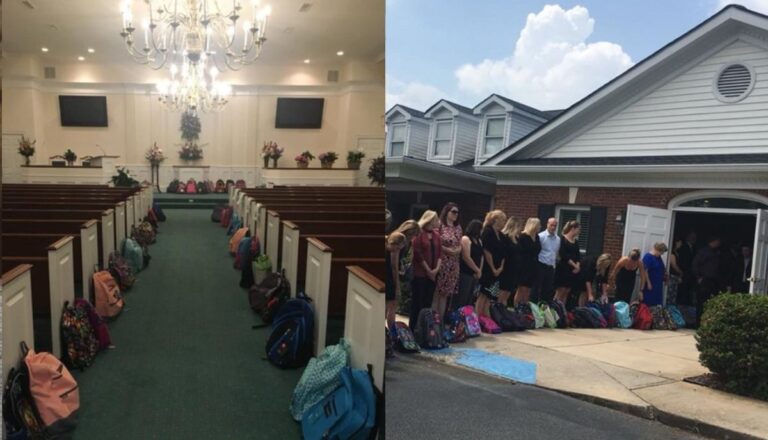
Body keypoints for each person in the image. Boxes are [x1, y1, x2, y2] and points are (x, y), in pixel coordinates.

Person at [409, 210, 442, 330]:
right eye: (434, 219)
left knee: (428, 302)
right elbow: (418, 254)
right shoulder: (419, 234)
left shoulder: (437, 235)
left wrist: (436, 270)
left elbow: (440, 254)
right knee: (418, 303)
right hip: (420, 273)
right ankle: (414, 328)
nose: (436, 222)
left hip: (433, 274)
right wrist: (428, 270)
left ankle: (425, 329)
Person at [434, 203, 462, 319]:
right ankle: (433, 319)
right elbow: (436, 243)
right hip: (442, 263)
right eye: (453, 212)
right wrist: (447, 250)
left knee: (445, 294)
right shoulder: (440, 226)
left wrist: (457, 251)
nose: (456, 214)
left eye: (457, 212)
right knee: (437, 293)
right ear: (447, 212)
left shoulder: (458, 227)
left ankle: (440, 320)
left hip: (453, 264)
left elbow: (460, 243)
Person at [476, 210, 506, 317]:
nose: (504, 222)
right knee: (484, 293)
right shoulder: (487, 232)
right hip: (488, 269)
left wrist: (501, 267)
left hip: (498, 270)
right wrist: (493, 268)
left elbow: (503, 253)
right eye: (502, 219)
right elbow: (486, 250)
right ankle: (479, 316)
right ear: (495, 219)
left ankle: (486, 316)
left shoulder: (501, 235)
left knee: (491, 294)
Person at [692, 236, 722, 324]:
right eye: (718, 242)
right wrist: (698, 277)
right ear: (713, 241)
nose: (718, 244)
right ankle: (699, 322)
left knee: (710, 303)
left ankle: (707, 322)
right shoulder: (703, 252)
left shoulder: (715, 252)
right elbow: (695, 264)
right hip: (704, 281)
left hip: (713, 282)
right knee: (701, 303)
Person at [515, 218, 542, 308]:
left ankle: (525, 307)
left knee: (528, 289)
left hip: (533, 265)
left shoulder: (537, 237)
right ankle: (517, 307)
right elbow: (520, 252)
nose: (540, 227)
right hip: (524, 265)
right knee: (521, 288)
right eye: (538, 225)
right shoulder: (523, 237)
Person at [554, 221, 582, 305]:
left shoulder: (576, 242)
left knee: (567, 291)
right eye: (578, 229)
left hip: (572, 270)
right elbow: (563, 255)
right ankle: (554, 311)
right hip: (563, 268)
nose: (579, 231)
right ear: (573, 228)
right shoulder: (562, 239)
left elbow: (578, 255)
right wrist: (574, 265)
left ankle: (562, 310)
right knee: (561, 290)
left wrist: (578, 266)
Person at [457, 219, 484, 309]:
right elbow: (466, 257)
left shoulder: (479, 241)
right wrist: (476, 269)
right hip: (466, 272)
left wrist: (479, 270)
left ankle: (467, 317)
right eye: (480, 228)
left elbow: (481, 256)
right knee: (463, 297)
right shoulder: (466, 239)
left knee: (471, 298)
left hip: (475, 274)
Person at [386, 232, 406, 344]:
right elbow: (394, 268)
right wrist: (398, 287)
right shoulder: (392, 251)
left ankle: (390, 334)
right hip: (390, 280)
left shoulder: (389, 245)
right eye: (398, 247)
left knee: (388, 308)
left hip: (388, 278)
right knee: (391, 307)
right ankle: (393, 335)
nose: (398, 250)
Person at [534, 217, 560, 303]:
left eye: (555, 226)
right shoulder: (541, 236)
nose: (553, 227)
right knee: (537, 288)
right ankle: (533, 305)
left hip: (551, 266)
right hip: (541, 264)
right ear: (547, 224)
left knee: (547, 289)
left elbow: (555, 253)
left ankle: (544, 307)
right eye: (551, 225)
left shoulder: (558, 239)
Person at [499, 216, 522, 307]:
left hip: (514, 269)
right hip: (506, 268)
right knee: (502, 290)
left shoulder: (517, 239)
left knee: (508, 291)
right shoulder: (505, 237)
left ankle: (503, 309)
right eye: (519, 226)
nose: (521, 229)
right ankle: (498, 307)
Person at [394, 220, 421, 284]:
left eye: (415, 235)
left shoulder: (410, 242)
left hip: (404, 274)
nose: (413, 237)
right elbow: (394, 265)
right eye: (410, 235)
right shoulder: (398, 240)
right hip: (395, 274)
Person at [676, 231, 697, 306]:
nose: (694, 238)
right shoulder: (683, 247)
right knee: (683, 288)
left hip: (691, 273)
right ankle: (682, 303)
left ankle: (687, 303)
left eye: (694, 237)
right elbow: (682, 260)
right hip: (684, 271)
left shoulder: (694, 248)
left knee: (689, 288)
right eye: (692, 237)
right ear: (688, 237)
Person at [667, 240, 684, 305]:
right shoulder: (672, 253)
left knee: (674, 294)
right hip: (672, 276)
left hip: (675, 276)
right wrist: (680, 272)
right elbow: (674, 265)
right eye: (679, 242)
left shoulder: (677, 252)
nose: (681, 244)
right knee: (670, 294)